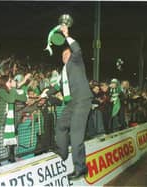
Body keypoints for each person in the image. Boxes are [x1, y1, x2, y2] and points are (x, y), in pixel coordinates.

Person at [41, 23, 92, 180]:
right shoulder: (63, 72)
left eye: (66, 54)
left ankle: (80, 168)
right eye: (62, 55)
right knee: (61, 125)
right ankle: (62, 152)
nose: (64, 57)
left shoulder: (76, 61)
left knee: (76, 136)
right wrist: (45, 93)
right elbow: (57, 86)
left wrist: (66, 35)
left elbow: (76, 49)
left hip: (82, 101)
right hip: (72, 104)